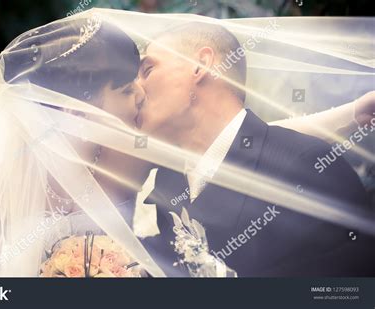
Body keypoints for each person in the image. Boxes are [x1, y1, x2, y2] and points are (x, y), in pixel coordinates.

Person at [0, 10, 373, 277]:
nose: (140, 95)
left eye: (144, 76)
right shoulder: (27, 169)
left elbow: (248, 148)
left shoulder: (136, 155)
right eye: (128, 87)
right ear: (79, 108)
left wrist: (348, 116)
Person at [137, 22, 375, 276]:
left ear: (202, 64)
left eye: (147, 70)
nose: (135, 89)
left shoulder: (308, 169)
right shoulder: (168, 182)